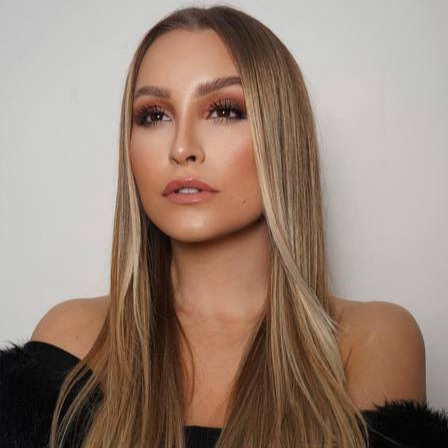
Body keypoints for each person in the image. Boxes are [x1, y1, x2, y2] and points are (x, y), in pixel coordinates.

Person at [0, 4, 446, 448]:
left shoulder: (370, 339)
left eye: (225, 111)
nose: (181, 148)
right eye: (154, 115)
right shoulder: (74, 340)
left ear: (281, 135)